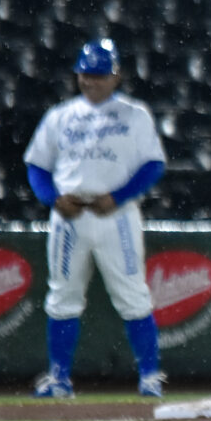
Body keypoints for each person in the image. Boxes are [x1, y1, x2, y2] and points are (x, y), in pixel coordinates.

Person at [23, 38, 168, 398]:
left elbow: (154, 165)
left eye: (100, 75)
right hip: (70, 215)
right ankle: (58, 379)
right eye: (86, 74)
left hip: (115, 215)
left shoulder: (134, 114)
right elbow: (37, 166)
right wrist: (52, 199)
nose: (92, 81)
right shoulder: (60, 116)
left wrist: (118, 196)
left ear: (116, 76)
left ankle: (150, 376)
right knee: (62, 296)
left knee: (133, 294)